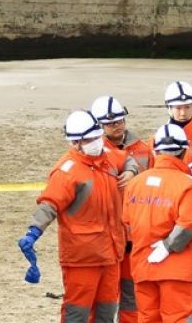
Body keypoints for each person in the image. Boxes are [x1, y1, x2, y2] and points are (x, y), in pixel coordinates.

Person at [18, 110, 129, 323]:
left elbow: (128, 160)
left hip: (111, 254)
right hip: (83, 259)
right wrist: (33, 232)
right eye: (89, 139)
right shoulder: (67, 172)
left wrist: (130, 172)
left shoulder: (108, 157)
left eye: (97, 137)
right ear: (75, 143)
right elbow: (49, 204)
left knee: (106, 312)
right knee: (77, 313)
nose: (96, 142)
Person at [123, 123, 192, 323]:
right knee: (177, 318)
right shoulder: (189, 185)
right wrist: (168, 246)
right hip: (178, 269)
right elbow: (191, 222)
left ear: (156, 150)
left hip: (144, 265)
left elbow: (127, 221)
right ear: (184, 151)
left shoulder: (135, 184)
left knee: (147, 318)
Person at [91, 95, 154, 323]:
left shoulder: (143, 150)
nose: (116, 126)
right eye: (110, 123)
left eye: (119, 121)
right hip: (105, 236)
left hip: (133, 235)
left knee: (131, 295)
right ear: (99, 125)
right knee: (103, 296)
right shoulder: (94, 152)